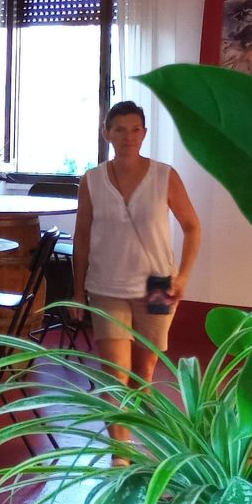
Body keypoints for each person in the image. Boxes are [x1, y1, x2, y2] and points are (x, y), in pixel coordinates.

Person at [72, 101, 202, 382]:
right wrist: (78, 291)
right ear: (106, 133)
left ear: (144, 133)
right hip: (107, 287)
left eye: (134, 130)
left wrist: (182, 277)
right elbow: (81, 236)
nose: (127, 137)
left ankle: (134, 425)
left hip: (157, 287)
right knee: (115, 376)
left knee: (143, 373)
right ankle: (120, 427)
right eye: (119, 130)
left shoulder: (165, 176)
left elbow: (192, 227)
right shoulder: (91, 181)